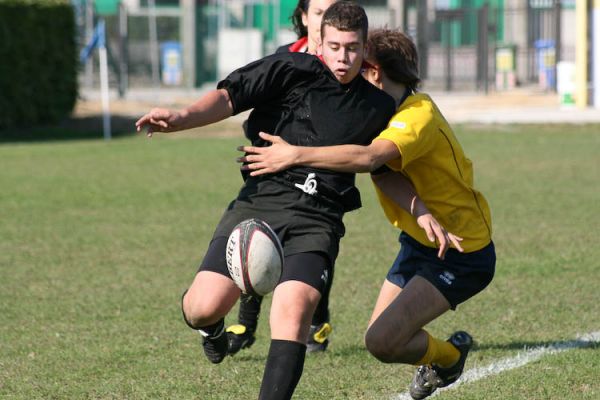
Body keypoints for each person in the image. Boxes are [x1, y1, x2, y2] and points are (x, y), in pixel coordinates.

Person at [136, 3, 397, 399]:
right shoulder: (288, 69)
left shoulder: (376, 107)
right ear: (319, 43)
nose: (343, 58)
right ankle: (212, 329)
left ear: (364, 48)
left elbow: (381, 167)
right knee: (201, 307)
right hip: (261, 203)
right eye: (335, 46)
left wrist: (423, 210)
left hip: (318, 217)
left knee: (292, 312)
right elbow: (229, 97)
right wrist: (181, 117)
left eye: (352, 48)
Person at [238, 28, 496, 400]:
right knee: (383, 340)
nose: (348, 66)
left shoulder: (416, 117)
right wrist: (419, 209)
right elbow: (384, 174)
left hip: (460, 250)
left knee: (381, 340)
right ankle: (447, 357)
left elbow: (370, 159)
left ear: (374, 71)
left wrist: (295, 153)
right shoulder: (378, 110)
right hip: (420, 241)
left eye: (359, 61)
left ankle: (449, 358)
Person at [228, 0, 340, 356]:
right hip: (276, 172)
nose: (327, 20)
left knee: (314, 247)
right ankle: (247, 319)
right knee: (257, 235)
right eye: (320, 12)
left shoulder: (351, 65)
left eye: (335, 11)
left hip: (324, 177)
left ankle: (316, 319)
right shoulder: (285, 56)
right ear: (304, 17)